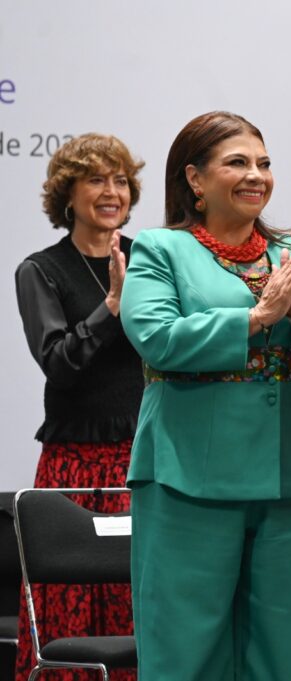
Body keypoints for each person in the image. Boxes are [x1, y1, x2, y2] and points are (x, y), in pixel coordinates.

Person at [120, 111, 291, 681]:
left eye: (264, 163)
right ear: (196, 181)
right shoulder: (160, 249)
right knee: (187, 647)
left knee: (284, 654)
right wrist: (257, 317)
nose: (256, 175)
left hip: (287, 473)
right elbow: (157, 341)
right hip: (188, 474)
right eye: (237, 162)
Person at [14, 133, 144, 681]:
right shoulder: (40, 270)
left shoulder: (150, 259)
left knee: (139, 601)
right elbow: (60, 362)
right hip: (75, 466)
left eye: (120, 180)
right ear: (68, 196)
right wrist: (111, 306)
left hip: (144, 459)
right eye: (95, 179)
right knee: (68, 603)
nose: (111, 191)